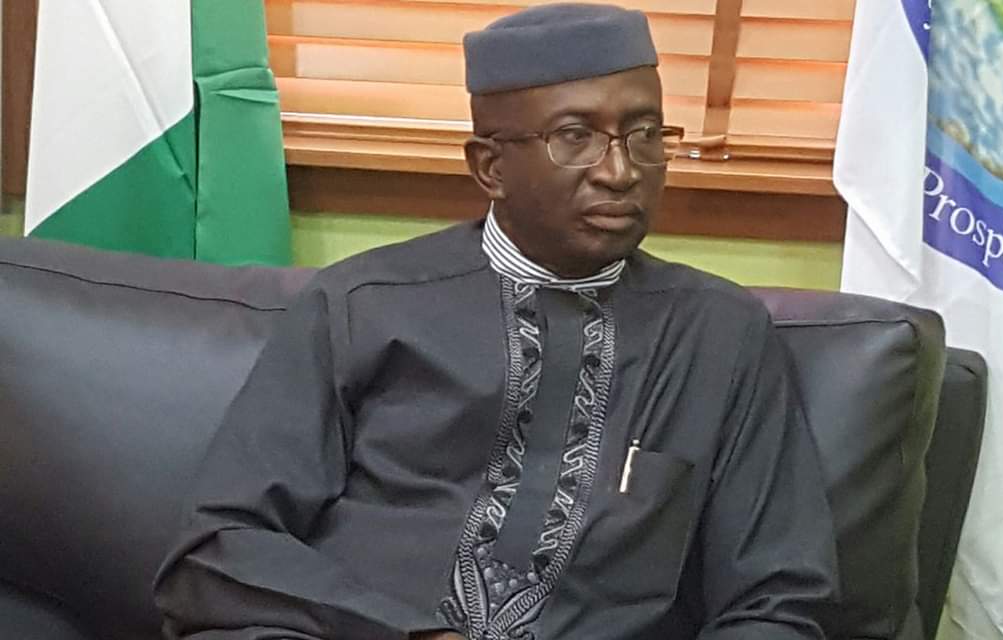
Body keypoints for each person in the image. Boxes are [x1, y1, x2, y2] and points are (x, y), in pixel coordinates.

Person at [153, 4, 838, 639]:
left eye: (645, 134)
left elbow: (778, 600)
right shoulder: (361, 305)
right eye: (576, 137)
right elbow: (219, 550)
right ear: (490, 167)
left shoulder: (720, 335)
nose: (621, 171)